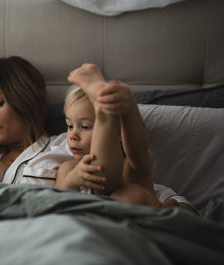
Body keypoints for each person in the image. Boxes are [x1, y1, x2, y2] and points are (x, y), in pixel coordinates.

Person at [0, 56, 194, 212]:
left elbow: (133, 182)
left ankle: (109, 109)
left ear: (24, 98)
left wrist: (172, 204)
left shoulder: (67, 144)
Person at [55, 64, 195, 211]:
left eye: (85, 126)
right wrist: (73, 180)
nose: (73, 136)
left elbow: (138, 149)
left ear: (119, 132)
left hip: (142, 222)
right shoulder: (68, 169)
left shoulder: (133, 171)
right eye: (70, 126)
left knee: (130, 194)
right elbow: (54, 206)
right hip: (97, 225)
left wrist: (128, 110)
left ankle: (110, 114)